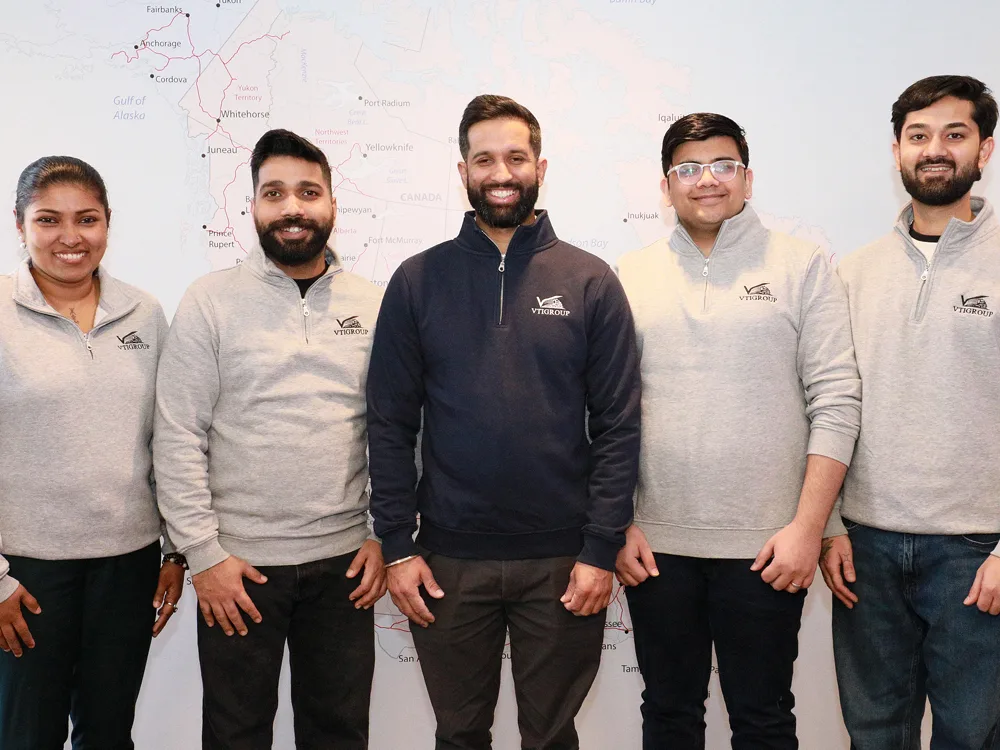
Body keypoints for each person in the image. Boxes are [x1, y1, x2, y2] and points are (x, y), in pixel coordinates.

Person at [367, 94, 641, 750]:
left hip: (562, 561)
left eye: (515, 157)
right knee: (460, 734)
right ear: (462, 170)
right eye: (484, 158)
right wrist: (399, 547)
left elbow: (619, 423)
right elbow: (387, 422)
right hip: (447, 561)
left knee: (550, 737)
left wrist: (600, 549)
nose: (501, 172)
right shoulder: (416, 281)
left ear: (540, 166)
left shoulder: (589, 280)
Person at [615, 113, 861, 750]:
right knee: (669, 716)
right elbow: (603, 414)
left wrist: (811, 529)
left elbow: (835, 402)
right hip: (654, 549)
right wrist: (616, 524)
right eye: (688, 169)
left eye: (723, 166)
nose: (707, 181)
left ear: (747, 178)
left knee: (763, 720)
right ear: (666, 186)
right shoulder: (627, 276)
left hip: (770, 549)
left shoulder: (802, 266)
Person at [154, 129, 385, 749]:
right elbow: (176, 436)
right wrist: (203, 556)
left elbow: (396, 431)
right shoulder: (210, 302)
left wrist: (384, 534)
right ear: (252, 207)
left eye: (308, 192)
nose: (292, 207)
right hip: (238, 567)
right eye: (274, 193)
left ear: (333, 205)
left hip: (344, 566)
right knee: (236, 736)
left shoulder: (374, 302)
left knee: (338, 734)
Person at [820, 75, 1000, 749]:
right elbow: (830, 406)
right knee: (874, 734)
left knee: (972, 736)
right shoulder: (853, 273)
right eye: (918, 136)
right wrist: (832, 525)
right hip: (864, 547)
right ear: (896, 150)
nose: (934, 150)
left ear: (984, 149)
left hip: (976, 553)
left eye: (954, 135)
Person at [0, 156, 185, 750]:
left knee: (109, 734)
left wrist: (175, 550)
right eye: (49, 220)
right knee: (28, 736)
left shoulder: (145, 313)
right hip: (26, 575)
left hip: (128, 565)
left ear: (108, 223)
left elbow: (170, 438)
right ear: (19, 224)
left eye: (87, 219)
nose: (70, 238)